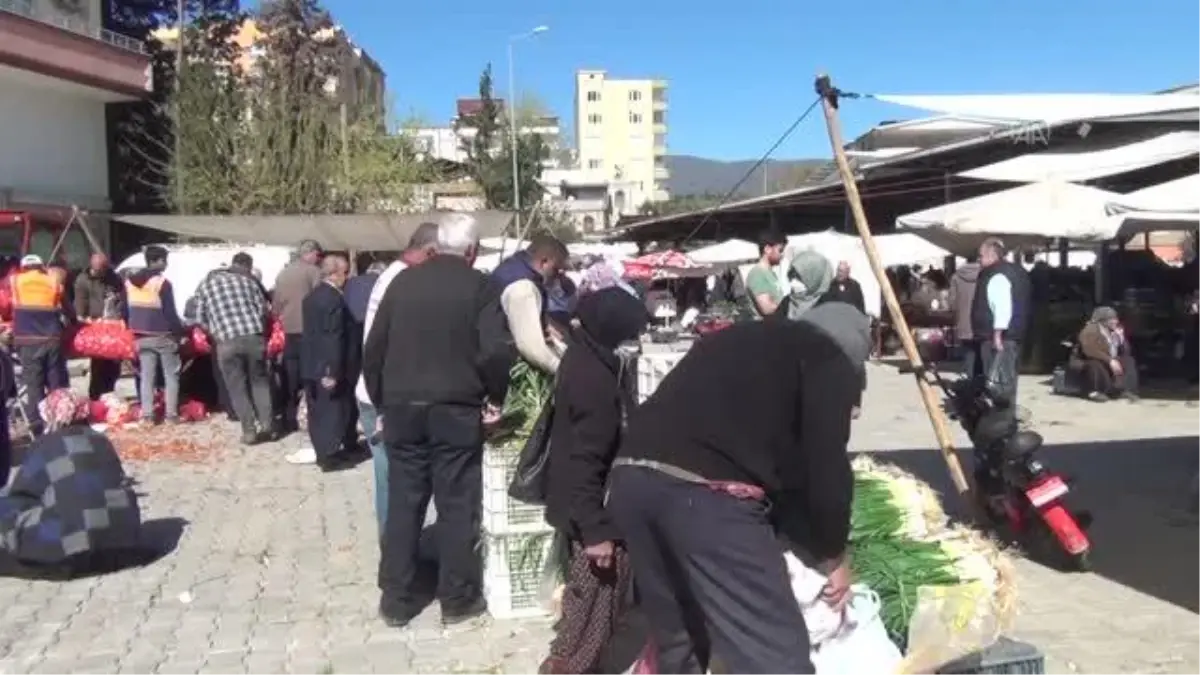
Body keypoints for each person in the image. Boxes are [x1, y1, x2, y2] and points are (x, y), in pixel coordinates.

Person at [607, 302, 870, 674]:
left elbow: (779, 456)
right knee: (774, 654)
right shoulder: (827, 356)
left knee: (680, 636)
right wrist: (833, 555)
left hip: (631, 476)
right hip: (704, 496)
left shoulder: (741, 338)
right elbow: (826, 469)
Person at [364, 213, 511, 629]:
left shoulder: (402, 282)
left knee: (404, 504)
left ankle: (396, 599)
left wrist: (382, 403)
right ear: (471, 251)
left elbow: (374, 350)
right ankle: (458, 599)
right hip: (455, 409)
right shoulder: (479, 286)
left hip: (403, 409)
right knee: (457, 506)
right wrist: (494, 397)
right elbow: (495, 352)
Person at [540, 287, 648, 675]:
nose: (632, 343)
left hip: (584, 510)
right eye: (629, 334)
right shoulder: (594, 380)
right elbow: (586, 459)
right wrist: (596, 531)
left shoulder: (584, 357)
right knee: (589, 626)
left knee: (589, 616)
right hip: (594, 516)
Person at [0, 389, 142, 577]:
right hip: (123, 535)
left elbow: (22, 492)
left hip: (74, 541)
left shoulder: (45, 444)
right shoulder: (101, 439)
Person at [355, 224, 440, 535]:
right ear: (431, 252)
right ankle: (398, 556)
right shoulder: (402, 281)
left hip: (379, 392)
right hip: (384, 398)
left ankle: (398, 552)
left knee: (393, 480)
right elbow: (386, 347)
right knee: (395, 483)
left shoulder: (394, 275)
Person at [191, 252, 275, 444]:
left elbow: (198, 318)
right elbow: (264, 310)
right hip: (253, 337)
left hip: (226, 340)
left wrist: (214, 331)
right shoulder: (248, 282)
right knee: (260, 383)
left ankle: (249, 431)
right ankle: (268, 426)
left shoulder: (206, 286)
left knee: (237, 387)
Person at [289, 255, 358, 470]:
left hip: (311, 363)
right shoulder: (333, 299)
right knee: (332, 410)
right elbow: (332, 336)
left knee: (317, 410)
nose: (346, 278)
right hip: (328, 365)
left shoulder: (312, 297)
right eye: (344, 273)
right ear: (334, 274)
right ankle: (329, 454)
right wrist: (332, 370)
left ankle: (324, 448)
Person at [11, 254, 73, 434]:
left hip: (26, 339)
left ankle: (36, 424)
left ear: (23, 267)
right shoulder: (53, 282)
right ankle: (58, 419)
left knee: (33, 383)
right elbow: (69, 311)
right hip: (52, 338)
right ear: (41, 266)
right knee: (55, 381)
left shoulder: (16, 281)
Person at [491, 235, 569, 374]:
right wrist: (565, 373)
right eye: (556, 269)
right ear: (544, 262)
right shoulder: (523, 287)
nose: (558, 276)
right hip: (505, 371)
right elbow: (532, 349)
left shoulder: (511, 269)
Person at [125, 245, 185, 424]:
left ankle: (148, 416)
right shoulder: (162, 283)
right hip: (163, 335)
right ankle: (171, 415)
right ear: (156, 261)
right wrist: (180, 333)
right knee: (171, 376)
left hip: (140, 336)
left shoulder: (129, 282)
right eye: (164, 260)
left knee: (146, 377)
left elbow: (124, 310)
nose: (166, 264)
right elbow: (170, 313)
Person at [971, 238, 1032, 406]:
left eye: (981, 255)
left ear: (992, 255)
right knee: (1006, 379)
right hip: (1013, 335)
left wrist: (997, 334)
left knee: (997, 383)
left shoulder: (997, 274)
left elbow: (1002, 306)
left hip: (998, 338)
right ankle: (1005, 416)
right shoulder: (1016, 271)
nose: (978, 259)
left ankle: (1000, 420)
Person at [273, 239, 323, 434]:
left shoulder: (283, 273)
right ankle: (310, 416)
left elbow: (276, 305)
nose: (318, 259)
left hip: (289, 331)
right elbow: (319, 299)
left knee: (290, 378)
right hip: (309, 331)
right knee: (311, 377)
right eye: (318, 255)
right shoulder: (313, 272)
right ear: (310, 253)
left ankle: (289, 417)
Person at [73, 253, 123, 400]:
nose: (101, 273)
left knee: (114, 366)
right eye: (98, 270)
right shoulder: (83, 280)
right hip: (94, 326)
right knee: (98, 365)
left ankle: (108, 394)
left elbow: (121, 298)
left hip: (113, 325)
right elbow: (80, 307)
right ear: (92, 266)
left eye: (103, 269)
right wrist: (85, 319)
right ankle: (95, 397)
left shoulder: (113, 278)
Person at [1069, 306, 1139, 402]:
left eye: (1115, 318)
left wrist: (1121, 338)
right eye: (1112, 319)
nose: (1115, 321)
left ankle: (1125, 390)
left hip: (1109, 359)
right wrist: (1110, 361)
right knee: (1095, 364)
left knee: (1128, 361)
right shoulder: (1090, 330)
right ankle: (1094, 392)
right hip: (1087, 360)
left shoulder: (1114, 331)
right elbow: (1090, 351)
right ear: (1103, 321)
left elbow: (1126, 352)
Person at [948, 256, 982, 378]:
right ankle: (982, 383)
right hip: (982, 321)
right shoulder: (986, 274)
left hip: (964, 322)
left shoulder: (956, 277)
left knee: (969, 354)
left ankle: (970, 382)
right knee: (983, 354)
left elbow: (952, 303)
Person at [745, 229, 787, 318]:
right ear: (767, 249)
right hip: (766, 329)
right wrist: (791, 305)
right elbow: (767, 309)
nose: (782, 255)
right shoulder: (757, 274)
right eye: (780, 250)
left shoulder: (770, 273)